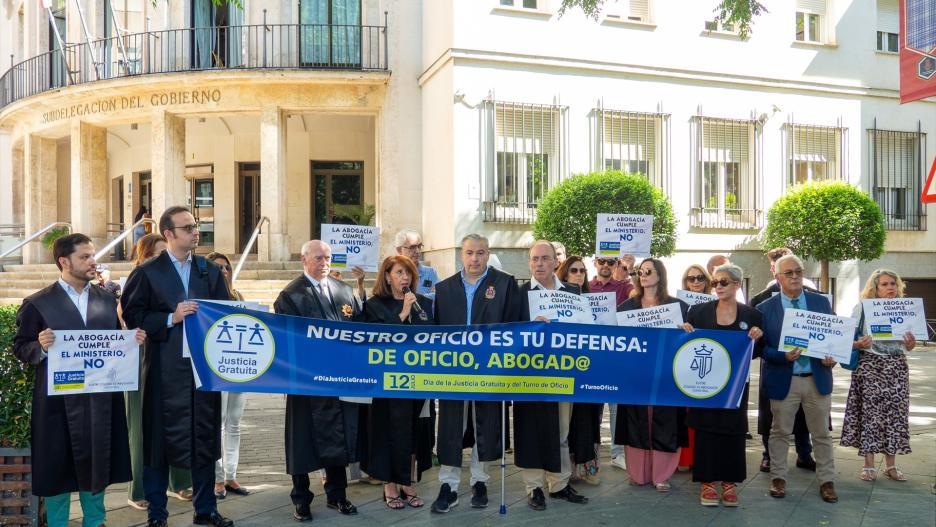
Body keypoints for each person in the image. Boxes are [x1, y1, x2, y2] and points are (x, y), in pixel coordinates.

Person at [12, 233, 142, 527]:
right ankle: (58, 523)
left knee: (98, 461)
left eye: (93, 255)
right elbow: (20, 346)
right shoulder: (38, 303)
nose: (93, 261)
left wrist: (131, 341)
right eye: (85, 256)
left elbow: (113, 343)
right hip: (56, 401)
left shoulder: (106, 300)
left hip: (100, 400)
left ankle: (94, 522)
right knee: (56, 466)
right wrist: (40, 346)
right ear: (64, 261)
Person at [121, 206, 235, 527]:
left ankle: (206, 510)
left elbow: (226, 314)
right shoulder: (147, 272)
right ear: (168, 234)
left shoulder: (208, 271)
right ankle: (158, 515)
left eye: (195, 226)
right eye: (187, 228)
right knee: (159, 443)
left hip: (202, 371)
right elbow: (133, 316)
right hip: (163, 371)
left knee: (204, 439)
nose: (195, 231)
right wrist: (171, 317)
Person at [430, 234, 522, 514]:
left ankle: (480, 480)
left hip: (490, 371)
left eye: (480, 253)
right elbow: (434, 332)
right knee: (450, 426)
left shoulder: (505, 284)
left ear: (488, 253)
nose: (475, 259)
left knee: (486, 423)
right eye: (469, 253)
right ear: (461, 254)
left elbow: (516, 326)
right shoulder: (444, 289)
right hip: (453, 372)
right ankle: (449, 484)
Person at [273, 240, 363, 522]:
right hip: (306, 384)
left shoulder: (344, 291)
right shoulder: (291, 295)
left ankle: (338, 495)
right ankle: (301, 499)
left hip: (337, 382)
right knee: (301, 442)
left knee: (337, 437)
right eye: (318, 258)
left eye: (328, 258)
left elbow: (358, 332)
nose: (324, 263)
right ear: (304, 260)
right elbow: (287, 340)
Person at [515, 241, 594, 510]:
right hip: (529, 375)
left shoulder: (573, 292)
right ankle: (534, 487)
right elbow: (508, 334)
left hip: (564, 373)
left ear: (554, 263)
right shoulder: (519, 294)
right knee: (530, 430)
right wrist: (528, 326)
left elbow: (586, 330)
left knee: (561, 429)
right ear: (529, 262)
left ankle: (559, 483)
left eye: (544, 258)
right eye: (534, 259)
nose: (539, 263)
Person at [758, 254, 839, 503]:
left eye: (798, 272)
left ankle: (827, 481)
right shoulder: (764, 309)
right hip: (785, 379)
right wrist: (783, 356)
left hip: (817, 378)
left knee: (821, 434)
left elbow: (834, 338)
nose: (795, 277)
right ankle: (778, 478)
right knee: (779, 432)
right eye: (789, 273)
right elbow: (762, 349)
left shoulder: (820, 303)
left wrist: (832, 357)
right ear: (777, 277)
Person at [682, 263, 764, 507]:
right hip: (704, 382)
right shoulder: (698, 312)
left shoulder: (752, 315)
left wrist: (757, 338)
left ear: (737, 284)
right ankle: (707, 482)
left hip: (736, 383)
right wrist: (685, 331)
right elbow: (688, 345)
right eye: (715, 282)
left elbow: (758, 351)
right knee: (705, 429)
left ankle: (729, 482)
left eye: (724, 282)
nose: (717, 286)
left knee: (734, 429)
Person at [123, 234, 194, 510]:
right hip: (142, 359)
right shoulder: (138, 280)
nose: (164, 260)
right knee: (143, 426)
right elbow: (128, 319)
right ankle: (138, 488)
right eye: (157, 254)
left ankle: (179, 482)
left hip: (175, 359)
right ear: (144, 258)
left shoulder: (181, 281)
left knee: (177, 418)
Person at [359, 255, 434, 509]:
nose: (405, 278)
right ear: (388, 276)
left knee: (414, 432)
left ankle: (408, 483)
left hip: (416, 381)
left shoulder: (422, 303)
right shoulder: (375, 305)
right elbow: (376, 339)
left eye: (409, 273)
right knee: (387, 432)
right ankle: (389, 484)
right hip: (385, 383)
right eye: (399, 273)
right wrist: (402, 314)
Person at [615, 258, 689, 491]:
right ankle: (638, 473)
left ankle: (662, 474)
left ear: (660, 275)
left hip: (666, 373)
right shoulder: (627, 307)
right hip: (636, 373)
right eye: (640, 271)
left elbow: (689, 339)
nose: (643, 274)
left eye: (649, 271)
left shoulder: (678, 307)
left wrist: (686, 330)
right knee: (635, 420)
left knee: (665, 421)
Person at [840, 269, 916, 482]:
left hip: (897, 366)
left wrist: (911, 344)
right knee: (870, 416)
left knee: (895, 416)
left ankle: (891, 465)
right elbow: (847, 337)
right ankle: (869, 465)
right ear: (875, 287)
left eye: (893, 283)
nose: (890, 287)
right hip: (870, 365)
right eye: (884, 284)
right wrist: (858, 343)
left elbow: (910, 344)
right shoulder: (862, 307)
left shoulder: (905, 308)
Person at [750, 247, 817, 474]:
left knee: (804, 414)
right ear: (774, 271)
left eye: (796, 270)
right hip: (776, 368)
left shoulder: (813, 296)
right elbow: (757, 343)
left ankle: (804, 452)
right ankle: (768, 456)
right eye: (785, 269)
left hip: (808, 370)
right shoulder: (759, 301)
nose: (793, 276)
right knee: (772, 416)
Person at [557, 256, 607, 483]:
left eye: (582, 271)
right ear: (565, 274)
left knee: (587, 418)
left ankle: (587, 467)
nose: (579, 274)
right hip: (562, 368)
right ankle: (564, 468)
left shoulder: (594, 302)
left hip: (588, 368)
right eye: (573, 270)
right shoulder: (553, 300)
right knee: (565, 421)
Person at [204, 252, 250, 500]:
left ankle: (231, 475)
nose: (223, 271)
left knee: (234, 423)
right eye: (217, 267)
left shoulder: (238, 297)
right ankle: (217, 478)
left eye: (227, 267)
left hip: (239, 368)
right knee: (217, 424)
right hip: (215, 369)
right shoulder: (204, 298)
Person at [675, 263, 713, 472]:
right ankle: (685, 459)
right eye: (691, 278)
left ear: (707, 281)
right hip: (685, 366)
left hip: (710, 367)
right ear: (685, 282)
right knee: (686, 414)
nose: (696, 282)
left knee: (704, 415)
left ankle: (702, 456)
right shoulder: (677, 306)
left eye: (700, 278)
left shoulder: (718, 303)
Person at [395, 229, 441, 298]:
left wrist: (414, 298)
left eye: (419, 246)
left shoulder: (430, 272)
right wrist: (429, 296)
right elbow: (398, 300)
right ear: (399, 250)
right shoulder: (393, 274)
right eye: (412, 247)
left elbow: (440, 295)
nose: (417, 251)